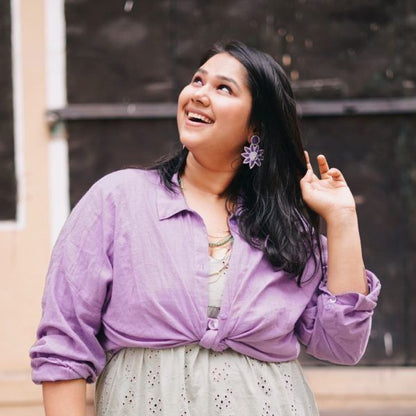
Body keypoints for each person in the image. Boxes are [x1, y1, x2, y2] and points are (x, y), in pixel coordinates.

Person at [30, 40, 380, 416]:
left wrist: (342, 219)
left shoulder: (285, 227)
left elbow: (341, 345)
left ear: (256, 126)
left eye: (223, 88)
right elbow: (64, 345)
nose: (198, 94)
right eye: (197, 81)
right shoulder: (118, 200)